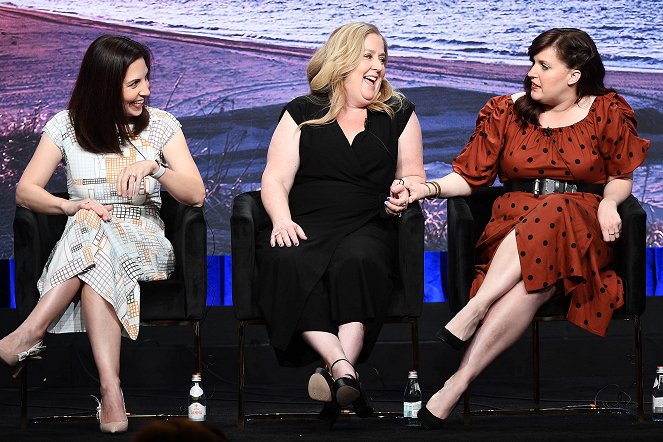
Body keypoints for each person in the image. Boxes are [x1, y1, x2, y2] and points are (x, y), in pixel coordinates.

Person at [403, 28, 650, 430]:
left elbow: (622, 174)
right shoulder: (505, 110)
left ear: (574, 74)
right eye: (532, 63)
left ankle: (475, 310)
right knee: (537, 283)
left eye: (544, 65)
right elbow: (470, 177)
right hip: (512, 227)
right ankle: (456, 384)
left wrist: (608, 202)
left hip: (580, 226)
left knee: (557, 208)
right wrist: (426, 189)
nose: (531, 72)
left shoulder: (607, 111)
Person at [0, 35, 205, 433]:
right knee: (91, 229)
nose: (145, 90)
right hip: (89, 235)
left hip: (144, 239)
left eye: (146, 79)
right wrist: (68, 205)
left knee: (93, 235)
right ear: (105, 83)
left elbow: (195, 193)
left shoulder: (162, 126)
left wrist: (155, 169)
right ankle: (112, 392)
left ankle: (30, 332)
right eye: (134, 83)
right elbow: (26, 191)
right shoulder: (65, 125)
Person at [257, 22, 425, 418]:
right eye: (368, 56)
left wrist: (406, 189)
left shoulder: (399, 113)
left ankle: (337, 373)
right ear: (343, 59)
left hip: (368, 220)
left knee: (360, 259)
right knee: (288, 258)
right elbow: (275, 177)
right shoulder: (303, 111)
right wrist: (281, 220)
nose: (378, 66)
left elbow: (413, 174)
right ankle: (344, 371)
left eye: (382, 58)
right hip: (306, 220)